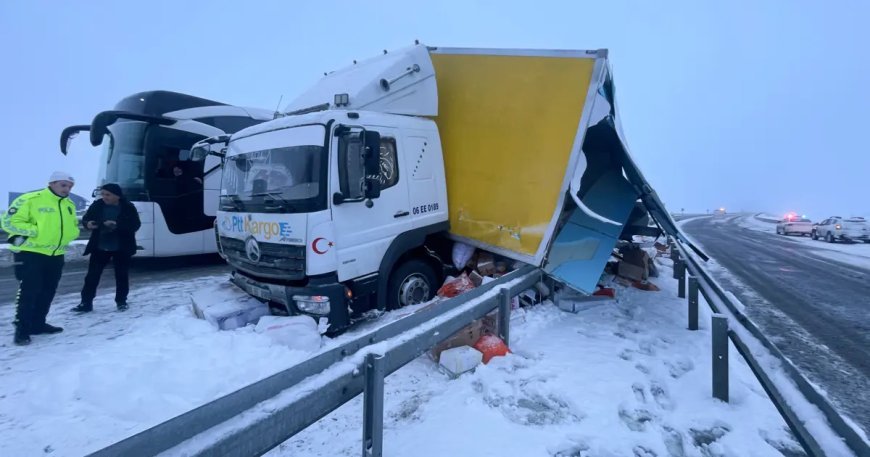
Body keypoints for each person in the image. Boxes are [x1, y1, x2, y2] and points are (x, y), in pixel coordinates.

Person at [1, 172, 80, 346]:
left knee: (48, 291)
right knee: (29, 292)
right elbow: (8, 222)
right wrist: (37, 231)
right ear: (51, 183)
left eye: (70, 186)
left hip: (56, 255)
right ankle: (22, 329)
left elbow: (73, 225)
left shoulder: (69, 204)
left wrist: (73, 233)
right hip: (31, 254)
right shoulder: (31, 199)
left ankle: (38, 324)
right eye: (63, 185)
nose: (67, 189)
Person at [72, 183, 141, 313]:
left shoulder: (128, 207)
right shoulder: (97, 205)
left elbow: (135, 225)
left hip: (121, 247)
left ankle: (121, 301)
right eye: (103, 194)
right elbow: (87, 219)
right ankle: (86, 303)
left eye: (107, 194)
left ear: (117, 195)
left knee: (121, 276)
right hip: (100, 247)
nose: (104, 197)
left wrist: (117, 225)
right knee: (92, 276)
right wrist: (89, 224)